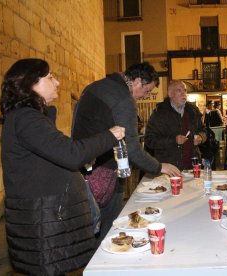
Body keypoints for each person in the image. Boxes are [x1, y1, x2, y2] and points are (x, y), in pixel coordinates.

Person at [0, 58, 125, 275]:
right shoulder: (27, 118)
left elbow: (52, 154)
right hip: (42, 220)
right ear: (31, 84)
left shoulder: (30, 117)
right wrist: (109, 135)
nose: (57, 82)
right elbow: (70, 154)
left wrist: (82, 158)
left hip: (45, 218)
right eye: (49, 77)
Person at [72, 62, 180, 245]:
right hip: (105, 173)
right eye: (146, 91)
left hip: (83, 169)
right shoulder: (123, 99)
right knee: (110, 230)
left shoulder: (96, 86)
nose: (144, 96)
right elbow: (131, 146)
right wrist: (159, 166)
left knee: (91, 228)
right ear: (137, 81)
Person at [144, 80, 206, 170]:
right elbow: (149, 140)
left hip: (193, 166)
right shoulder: (160, 113)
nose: (183, 93)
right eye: (179, 90)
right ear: (170, 94)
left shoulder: (192, 111)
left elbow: (203, 130)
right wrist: (174, 140)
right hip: (170, 168)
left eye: (185, 90)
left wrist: (201, 137)